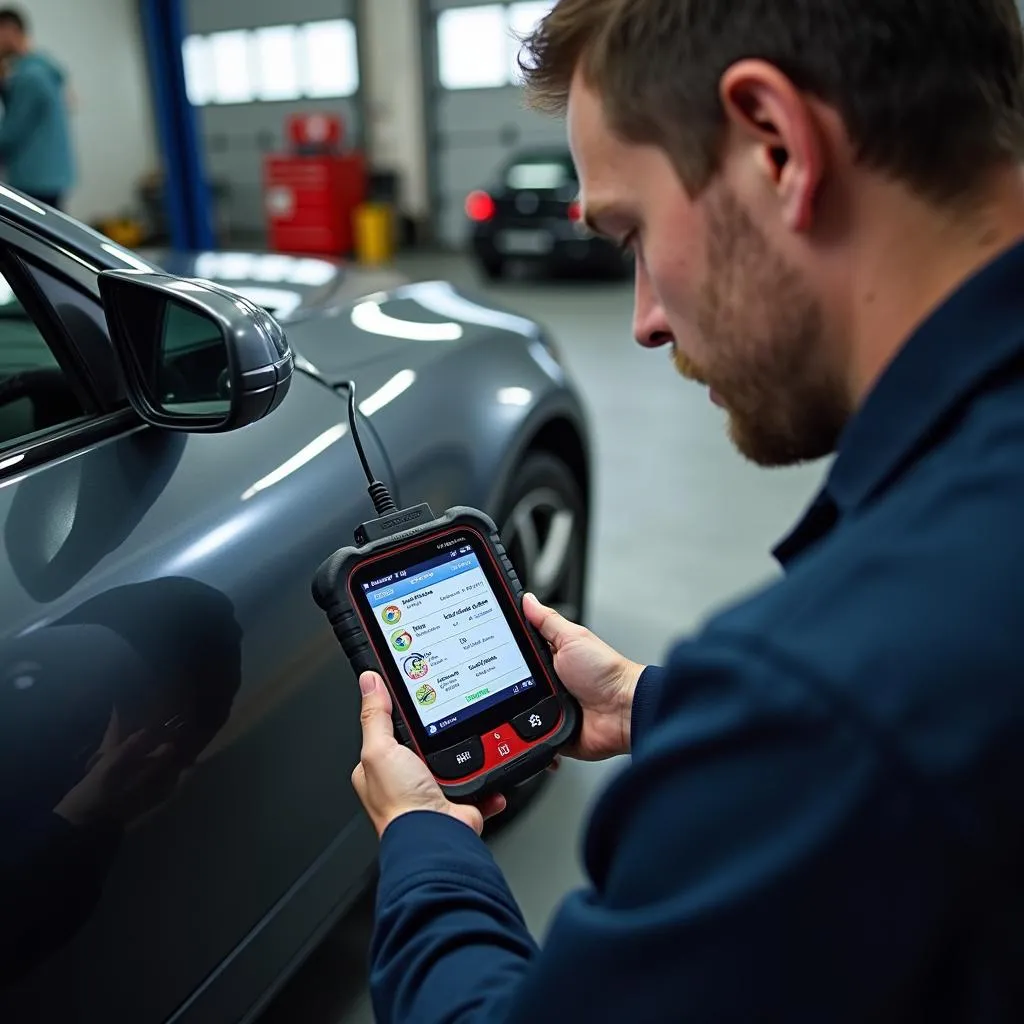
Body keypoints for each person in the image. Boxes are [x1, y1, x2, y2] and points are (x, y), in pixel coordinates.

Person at [351, 1, 1024, 1021]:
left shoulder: (827, 698)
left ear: (775, 144)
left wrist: (424, 844)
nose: (645, 322)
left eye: (629, 232)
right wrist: (646, 704)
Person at [0, 7, 75, 210]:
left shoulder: (29, 77)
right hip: (49, 176)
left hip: (34, 179)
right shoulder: (43, 70)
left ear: (9, 31)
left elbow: (11, 131)